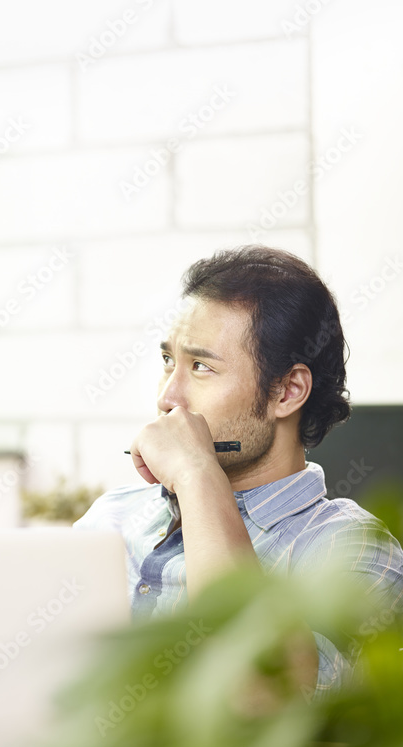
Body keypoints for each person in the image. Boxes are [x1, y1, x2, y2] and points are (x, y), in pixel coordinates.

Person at [74, 245, 403, 696]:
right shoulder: (110, 518)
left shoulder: (351, 549)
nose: (168, 398)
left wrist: (196, 475)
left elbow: (259, 694)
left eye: (202, 366)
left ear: (287, 391)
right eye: (169, 361)